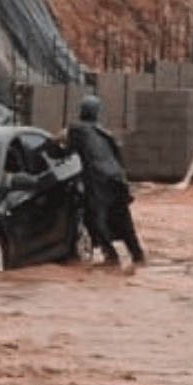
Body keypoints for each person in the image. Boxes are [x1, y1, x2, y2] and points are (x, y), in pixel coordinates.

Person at [58, 95, 145, 268]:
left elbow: (66, 153)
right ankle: (137, 256)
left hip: (98, 181)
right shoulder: (106, 133)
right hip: (116, 180)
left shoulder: (76, 129)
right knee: (123, 220)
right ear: (98, 113)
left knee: (95, 218)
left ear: (81, 111)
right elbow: (119, 160)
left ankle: (111, 255)